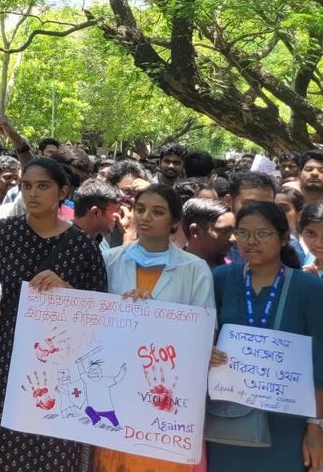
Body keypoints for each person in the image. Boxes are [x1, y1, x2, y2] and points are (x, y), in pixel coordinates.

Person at [0, 157, 107, 472]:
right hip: (7, 351)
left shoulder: (83, 246)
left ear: (63, 192)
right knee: (1, 437)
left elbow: (100, 313)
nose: (32, 193)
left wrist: (68, 291)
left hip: (62, 360)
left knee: (53, 442)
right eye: (27, 186)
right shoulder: (6, 230)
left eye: (43, 186)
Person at [92, 185, 212, 472]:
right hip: (116, 382)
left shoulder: (195, 269)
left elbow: (203, 332)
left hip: (164, 392)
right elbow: (92, 319)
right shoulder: (109, 260)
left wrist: (154, 315)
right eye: (141, 209)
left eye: (157, 212)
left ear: (174, 223)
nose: (146, 217)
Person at [208, 202, 323, 472]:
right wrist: (207, 351)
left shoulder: (309, 287)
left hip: (286, 422)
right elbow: (203, 332)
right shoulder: (222, 277)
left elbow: (320, 362)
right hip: (228, 419)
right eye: (244, 233)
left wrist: (315, 427)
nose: (251, 241)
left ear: (284, 238)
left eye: (263, 233)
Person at [181, 198, 234, 269]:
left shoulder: (234, 273)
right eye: (224, 231)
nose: (233, 239)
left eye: (234, 231)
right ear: (195, 231)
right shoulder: (167, 270)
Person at [71, 180, 123, 253]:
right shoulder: (62, 239)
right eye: (116, 211)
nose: (118, 216)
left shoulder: (102, 243)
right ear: (96, 212)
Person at [276, 185, 309, 266]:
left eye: (284, 209)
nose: (276, 213)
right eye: (271, 208)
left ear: (299, 215)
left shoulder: (312, 245)